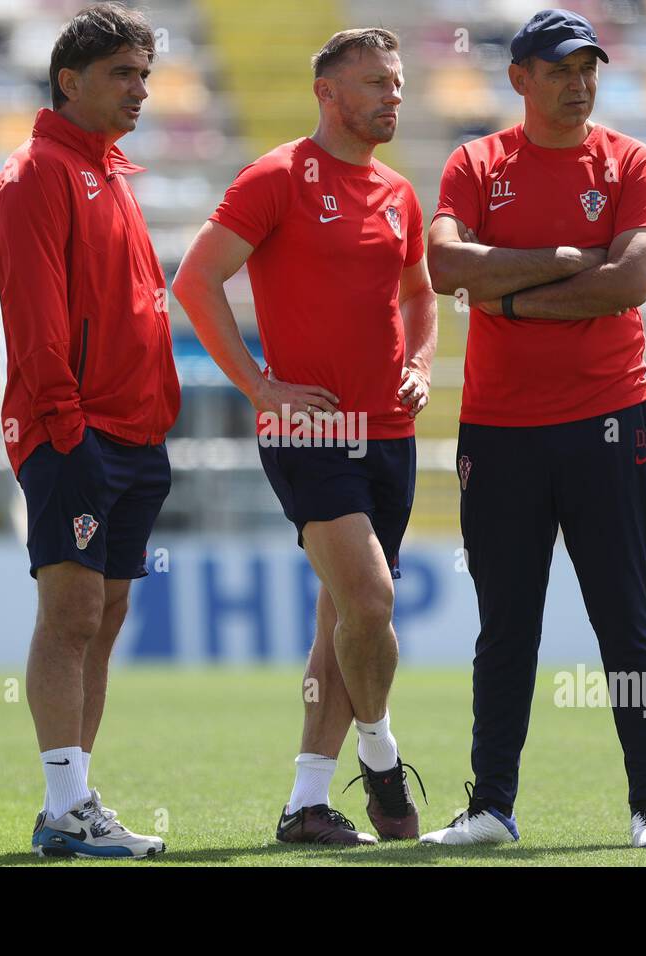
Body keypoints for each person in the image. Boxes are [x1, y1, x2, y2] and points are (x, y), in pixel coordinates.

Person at [420, 8, 646, 848]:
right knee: (506, 625)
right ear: (520, 77)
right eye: (560, 68)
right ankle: (491, 806)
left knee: (625, 619)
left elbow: (630, 282)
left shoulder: (633, 161)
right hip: (498, 431)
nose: (579, 83)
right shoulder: (475, 162)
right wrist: (569, 262)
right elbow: (444, 265)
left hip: (610, 419)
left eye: (588, 68)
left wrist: (506, 299)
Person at [173, 28, 438, 845]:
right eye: (375, 84)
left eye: (396, 83)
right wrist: (258, 385)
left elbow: (420, 294)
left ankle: (306, 805)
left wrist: (422, 363)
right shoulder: (278, 177)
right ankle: (382, 756)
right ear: (328, 94)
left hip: (390, 432)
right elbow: (194, 278)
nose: (393, 96)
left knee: (342, 624)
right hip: (309, 430)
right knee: (371, 599)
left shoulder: (398, 194)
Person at [0, 2, 180, 859]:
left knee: (103, 613)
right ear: (70, 81)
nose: (141, 90)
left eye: (145, 74)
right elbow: (34, 317)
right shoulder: (36, 172)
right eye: (122, 74)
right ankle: (64, 806)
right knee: (70, 612)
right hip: (77, 430)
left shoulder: (111, 171)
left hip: (135, 433)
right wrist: (66, 427)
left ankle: (72, 806)